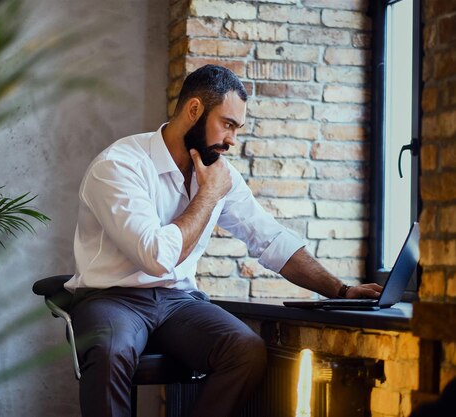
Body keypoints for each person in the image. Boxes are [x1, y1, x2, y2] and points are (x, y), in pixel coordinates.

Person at [64, 64, 382, 417]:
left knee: (245, 350)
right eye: (227, 124)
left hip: (176, 301)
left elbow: (269, 238)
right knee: (110, 352)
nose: (232, 140)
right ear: (194, 110)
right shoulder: (120, 165)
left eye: (237, 128)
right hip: (113, 297)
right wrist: (209, 194)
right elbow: (155, 256)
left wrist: (339, 291)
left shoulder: (219, 174)